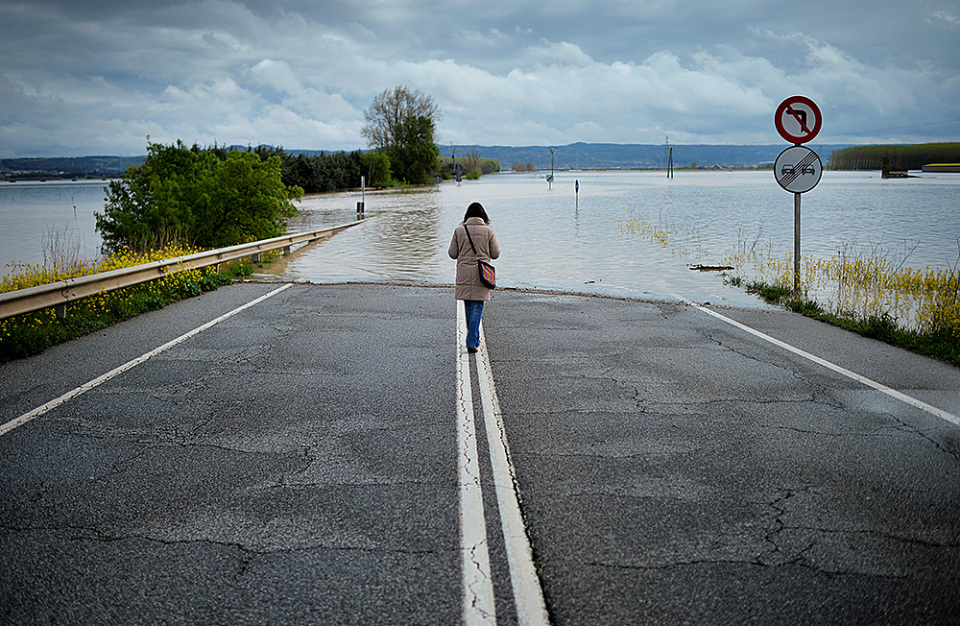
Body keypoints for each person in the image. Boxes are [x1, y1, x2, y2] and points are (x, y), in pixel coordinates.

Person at [448, 202, 500, 353]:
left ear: (467, 216)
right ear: (484, 216)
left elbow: (452, 254)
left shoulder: (459, 230)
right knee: (477, 306)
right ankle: (472, 341)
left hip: (464, 272)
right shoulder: (488, 231)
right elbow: (495, 254)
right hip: (481, 273)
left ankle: (474, 339)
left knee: (469, 306)